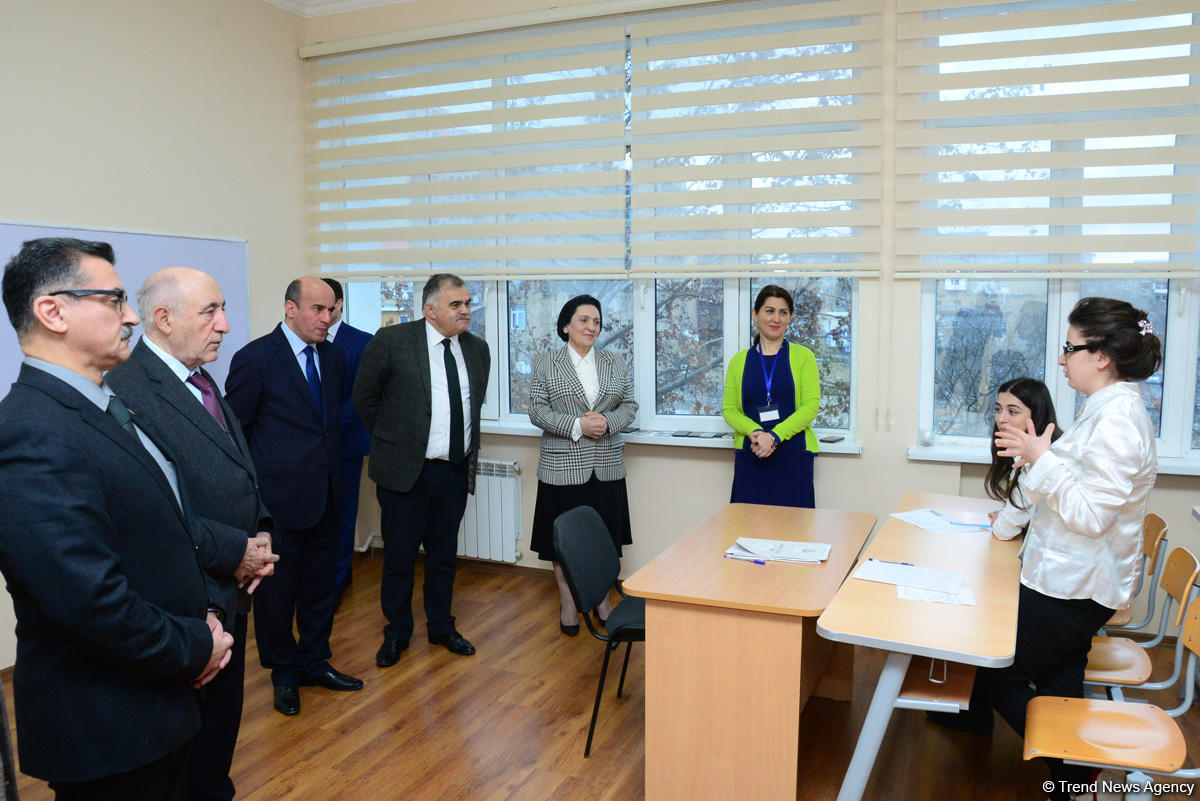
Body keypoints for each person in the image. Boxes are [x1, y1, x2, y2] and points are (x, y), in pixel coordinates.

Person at [0, 238, 232, 800]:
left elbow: (165, 529)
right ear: (53, 311)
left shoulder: (105, 405)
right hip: (108, 726)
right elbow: (88, 601)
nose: (131, 316)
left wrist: (204, 617)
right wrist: (197, 647)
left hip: (160, 703)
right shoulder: (32, 430)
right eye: (114, 300)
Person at [975, 298, 1160, 801]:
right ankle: (1073, 787)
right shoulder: (1103, 411)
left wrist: (1041, 458)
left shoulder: (1119, 420)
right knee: (1059, 680)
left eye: (1070, 348)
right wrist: (1042, 461)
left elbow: (1092, 517)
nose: (1062, 360)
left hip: (1077, 585)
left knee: (999, 677)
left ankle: (1077, 780)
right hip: (1069, 578)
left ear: (1101, 356)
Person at [107, 266, 278, 801]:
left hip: (232, 588)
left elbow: (236, 466)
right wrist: (237, 553)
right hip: (186, 597)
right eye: (211, 312)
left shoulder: (199, 377)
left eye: (222, 308)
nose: (225, 324)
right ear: (163, 318)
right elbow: (154, 507)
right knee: (185, 747)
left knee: (219, 735)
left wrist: (262, 530)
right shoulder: (127, 389)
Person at [225, 276, 363, 717]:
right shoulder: (256, 359)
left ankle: (314, 662)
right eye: (317, 310)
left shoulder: (335, 358)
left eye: (331, 310)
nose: (328, 319)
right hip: (277, 505)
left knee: (322, 589)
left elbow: (327, 426)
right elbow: (235, 434)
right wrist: (252, 503)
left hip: (328, 496)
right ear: (290, 309)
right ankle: (284, 674)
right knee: (276, 599)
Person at [353, 273, 491, 665]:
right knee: (398, 557)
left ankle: (441, 627)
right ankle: (396, 632)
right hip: (404, 473)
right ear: (430, 310)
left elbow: (472, 404)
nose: (465, 310)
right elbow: (365, 398)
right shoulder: (393, 342)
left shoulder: (478, 350)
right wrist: (393, 441)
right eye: (455, 305)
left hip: (453, 470)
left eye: (467, 303)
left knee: (444, 555)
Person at [527, 295, 638, 635]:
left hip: (605, 466)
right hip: (562, 468)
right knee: (562, 541)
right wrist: (577, 425)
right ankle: (567, 601)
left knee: (603, 538)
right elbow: (537, 410)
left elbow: (631, 405)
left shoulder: (614, 362)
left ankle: (603, 600)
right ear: (566, 325)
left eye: (597, 322)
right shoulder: (546, 362)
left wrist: (607, 422)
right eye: (584, 320)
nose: (591, 327)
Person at [721, 285, 821, 508]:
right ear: (755, 314)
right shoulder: (738, 361)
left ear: (790, 317)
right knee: (748, 529)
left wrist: (774, 436)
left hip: (793, 455)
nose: (776, 318)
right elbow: (729, 408)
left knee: (795, 530)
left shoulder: (804, 357)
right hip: (752, 452)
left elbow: (810, 406)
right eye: (769, 311)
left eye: (783, 312)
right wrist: (756, 433)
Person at [321, 277, 374, 601]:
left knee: (342, 516)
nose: (324, 314)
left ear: (341, 305)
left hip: (346, 445)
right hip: (307, 449)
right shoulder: (300, 340)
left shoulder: (361, 342)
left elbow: (360, 399)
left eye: (329, 306)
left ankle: (335, 586)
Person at [984, 376, 1061, 538]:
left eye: (1012, 411)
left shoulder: (1040, 459)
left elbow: (1004, 531)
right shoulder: (1020, 453)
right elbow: (1018, 511)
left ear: (1036, 415)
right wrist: (1006, 515)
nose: (1001, 419)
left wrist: (1004, 519)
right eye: (998, 409)